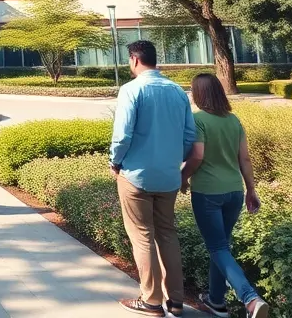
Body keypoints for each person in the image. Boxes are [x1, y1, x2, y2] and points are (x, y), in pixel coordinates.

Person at [109, 40, 196, 317]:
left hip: (136, 175)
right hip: (169, 176)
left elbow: (123, 135)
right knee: (168, 234)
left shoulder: (131, 90)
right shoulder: (178, 91)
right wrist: (173, 159)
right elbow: (189, 136)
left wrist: (115, 161)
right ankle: (177, 301)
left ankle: (151, 301)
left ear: (134, 60)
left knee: (143, 237)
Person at [181, 74, 270, 318]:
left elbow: (197, 156)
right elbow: (245, 158)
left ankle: (250, 299)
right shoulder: (234, 120)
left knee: (218, 247)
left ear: (198, 94)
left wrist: (182, 178)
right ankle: (216, 300)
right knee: (220, 248)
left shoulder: (198, 120)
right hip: (234, 192)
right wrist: (251, 189)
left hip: (208, 192)